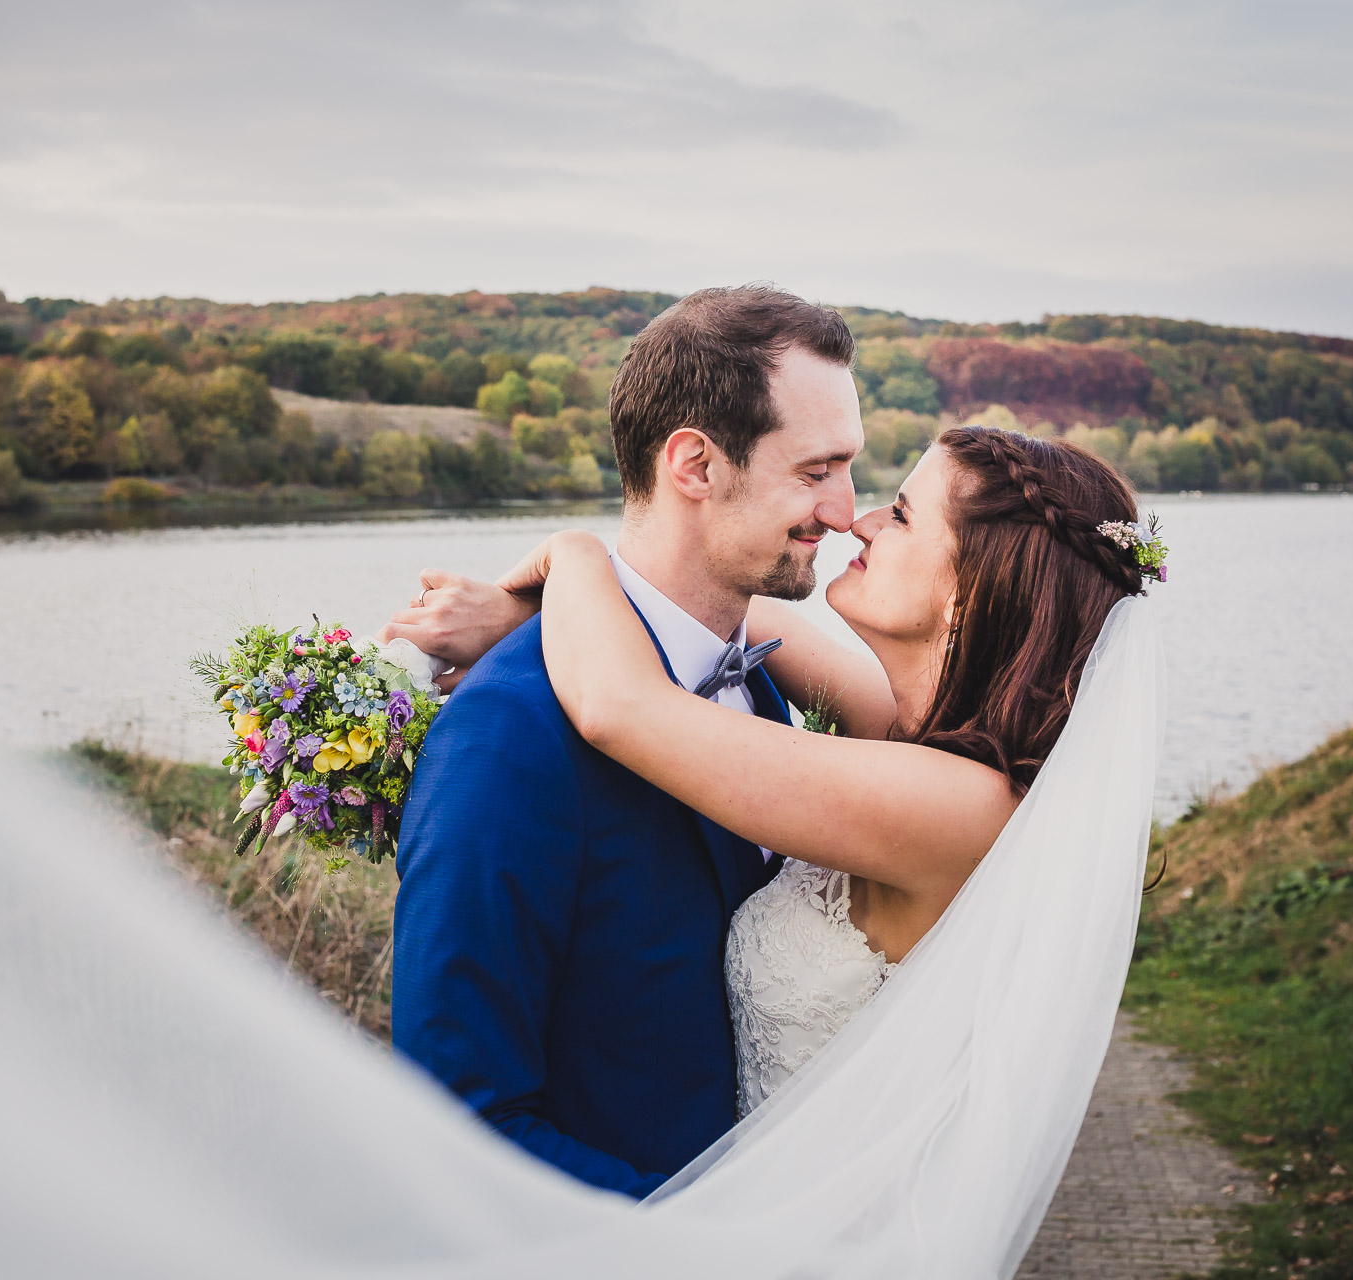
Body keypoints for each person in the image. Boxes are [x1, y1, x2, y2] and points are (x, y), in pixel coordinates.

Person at [394, 418, 1163, 1164]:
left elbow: (619, 707)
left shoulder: (964, 807)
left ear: (967, 594)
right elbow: (722, 599)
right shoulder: (916, 732)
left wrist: (572, 557)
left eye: (899, 516)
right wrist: (529, 615)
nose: (857, 521)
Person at [382, 285, 866, 1197]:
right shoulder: (509, 736)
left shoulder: (761, 679)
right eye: (815, 471)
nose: (845, 511)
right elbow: (455, 1126)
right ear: (694, 464)